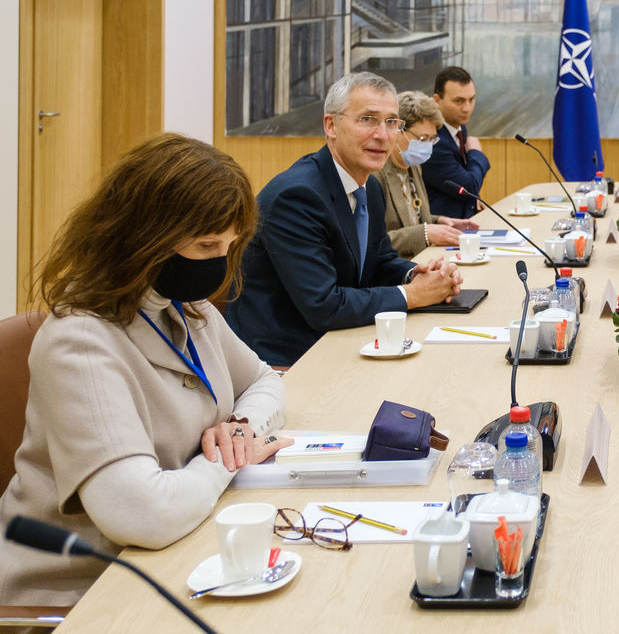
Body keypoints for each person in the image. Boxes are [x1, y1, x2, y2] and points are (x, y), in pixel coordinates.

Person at [0, 134, 291, 607]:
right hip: (78, 591)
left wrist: (240, 429)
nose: (219, 261)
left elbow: (262, 381)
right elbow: (142, 515)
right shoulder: (80, 340)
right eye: (205, 245)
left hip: (177, 549)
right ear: (143, 237)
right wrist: (226, 462)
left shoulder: (185, 307)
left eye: (229, 245)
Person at [227, 72, 463, 367]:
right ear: (331, 126)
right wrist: (411, 295)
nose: (382, 134)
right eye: (367, 119)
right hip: (282, 361)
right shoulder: (297, 196)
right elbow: (323, 306)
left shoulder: (369, 187)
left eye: (391, 122)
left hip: (338, 340)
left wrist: (419, 274)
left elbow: (379, 260)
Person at [374, 91, 479, 258]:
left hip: (421, 260)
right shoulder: (374, 173)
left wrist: (438, 221)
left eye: (432, 139)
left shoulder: (413, 166)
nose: (427, 147)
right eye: (422, 139)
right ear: (397, 129)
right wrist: (426, 233)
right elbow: (372, 243)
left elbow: (410, 216)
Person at [423, 66, 489, 219]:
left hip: (464, 219)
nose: (467, 108)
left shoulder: (459, 128)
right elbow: (468, 187)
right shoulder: (432, 139)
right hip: (441, 226)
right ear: (437, 100)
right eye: (459, 101)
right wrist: (476, 153)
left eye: (471, 100)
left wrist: (473, 198)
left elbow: (465, 184)